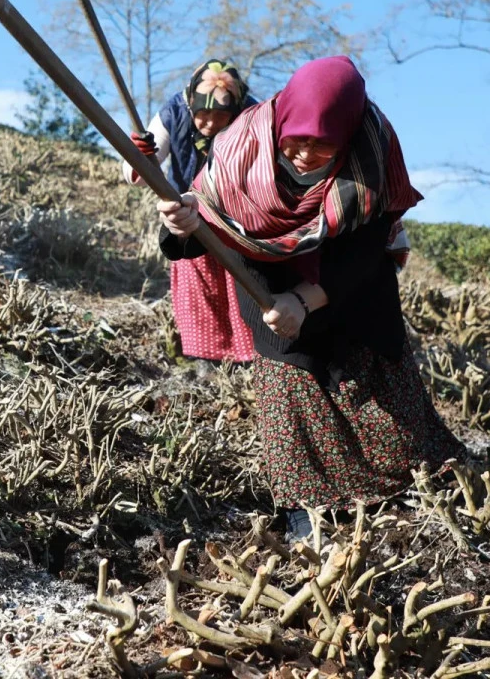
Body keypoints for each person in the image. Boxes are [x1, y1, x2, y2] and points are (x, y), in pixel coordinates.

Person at [157, 56, 465, 541]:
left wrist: (308, 299)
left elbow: (366, 251)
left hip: (351, 285)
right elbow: (208, 217)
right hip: (266, 283)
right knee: (291, 391)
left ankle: (412, 488)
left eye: (322, 147)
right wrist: (184, 223)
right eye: (296, 140)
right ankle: (307, 508)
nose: (304, 155)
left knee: (379, 399)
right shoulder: (242, 144)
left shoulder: (372, 152)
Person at [124, 59, 256, 364]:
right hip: (187, 216)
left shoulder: (253, 116)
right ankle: (205, 358)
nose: (210, 124)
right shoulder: (173, 112)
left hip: (237, 216)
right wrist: (141, 157)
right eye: (203, 115)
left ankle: (248, 357)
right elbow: (135, 175)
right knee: (197, 284)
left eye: (219, 116)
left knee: (240, 283)